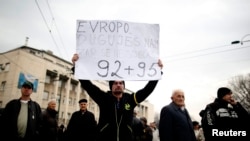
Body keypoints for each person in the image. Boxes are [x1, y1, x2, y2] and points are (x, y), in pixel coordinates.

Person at [71, 54, 163, 141]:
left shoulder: (131, 99)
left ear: (124, 86)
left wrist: (157, 73)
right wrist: (76, 68)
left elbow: (147, 90)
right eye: (115, 83)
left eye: (121, 83)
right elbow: (88, 86)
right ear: (111, 86)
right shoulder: (104, 98)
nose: (118, 85)